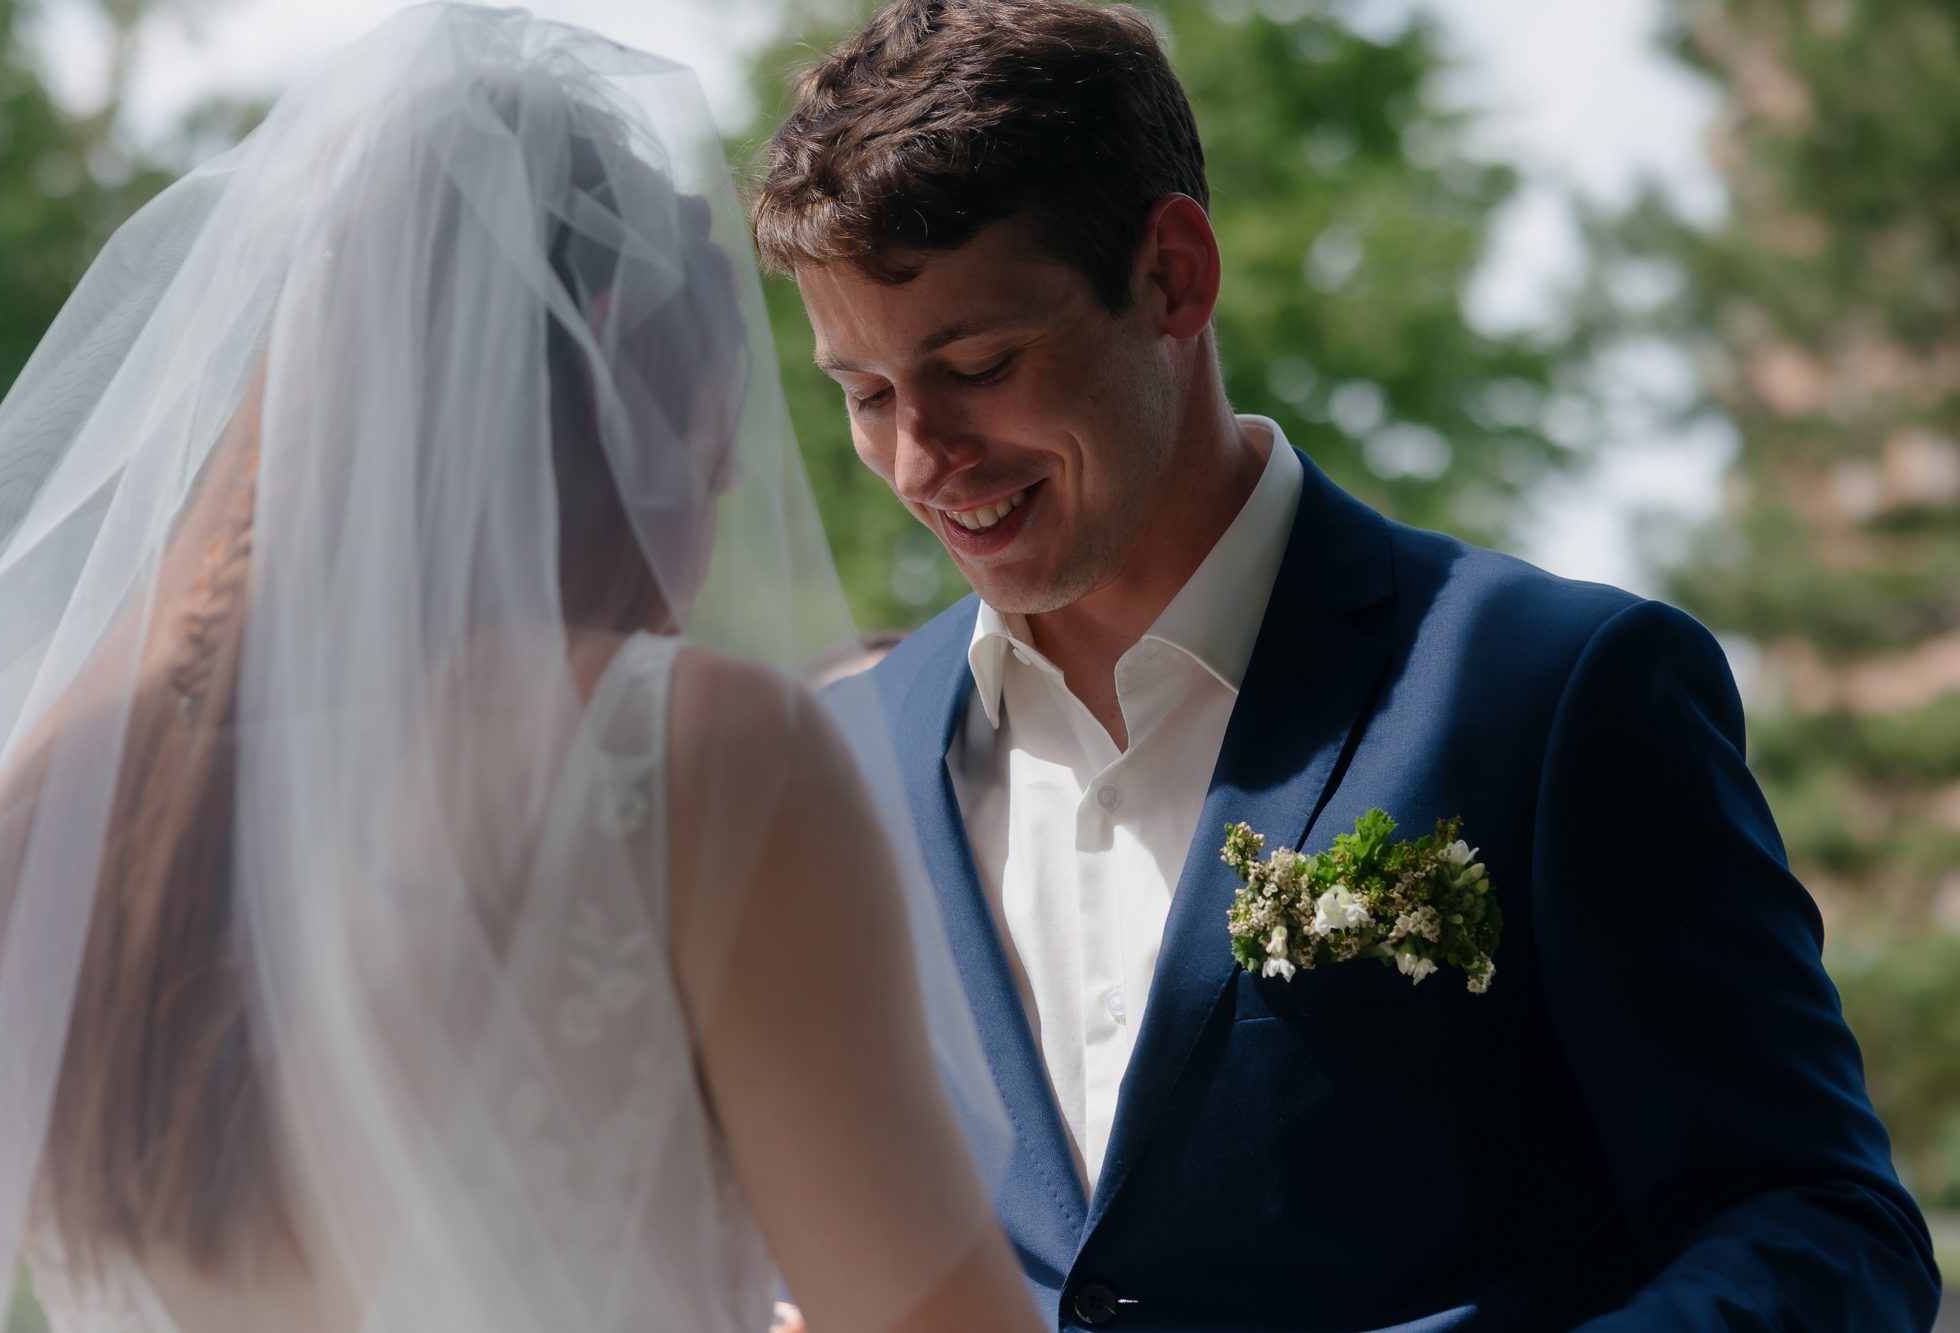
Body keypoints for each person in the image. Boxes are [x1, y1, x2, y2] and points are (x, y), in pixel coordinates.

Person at [752, 1, 1943, 1328]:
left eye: (977, 364)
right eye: (865, 395)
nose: (920, 457)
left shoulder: (1552, 691)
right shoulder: (845, 760)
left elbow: (1823, 1223)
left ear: (1173, 276)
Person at [0, 7, 1042, 1332]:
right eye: (716, 451)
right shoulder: (692, 754)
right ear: (617, 362)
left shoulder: (46, 805)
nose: (714, 516)